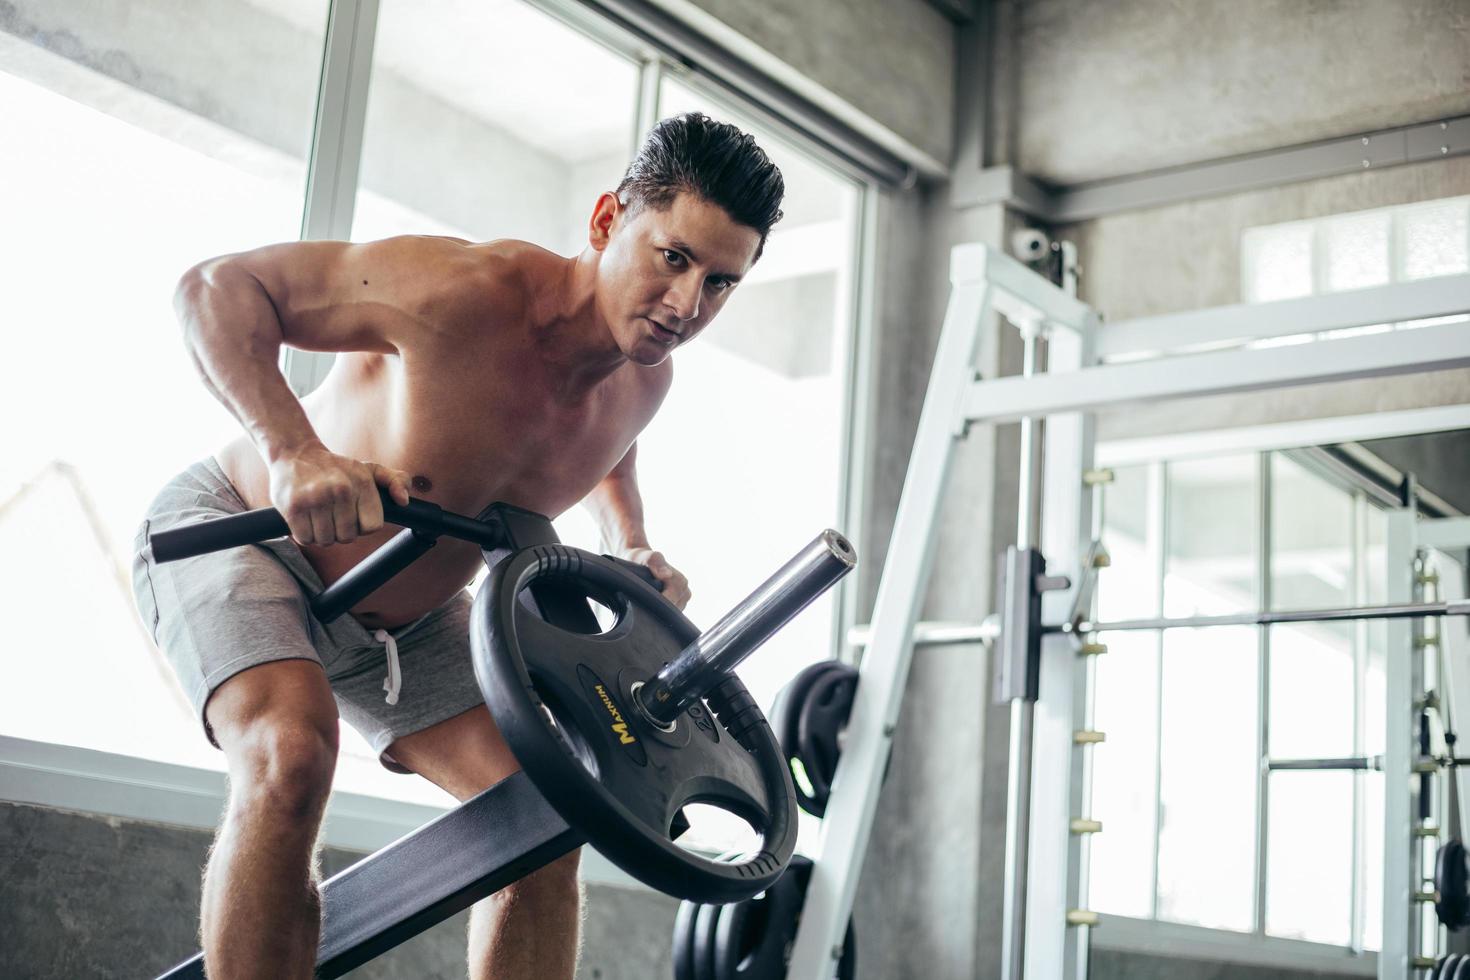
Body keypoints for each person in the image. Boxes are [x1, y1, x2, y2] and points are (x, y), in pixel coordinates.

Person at [129, 111, 784, 980]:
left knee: (546, 824)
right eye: (673, 258)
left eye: (719, 283)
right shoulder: (459, 290)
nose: (685, 305)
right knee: (292, 753)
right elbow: (215, 289)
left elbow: (603, 447)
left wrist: (629, 540)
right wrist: (295, 452)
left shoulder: (643, 381)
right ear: (605, 221)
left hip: (407, 619)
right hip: (242, 540)